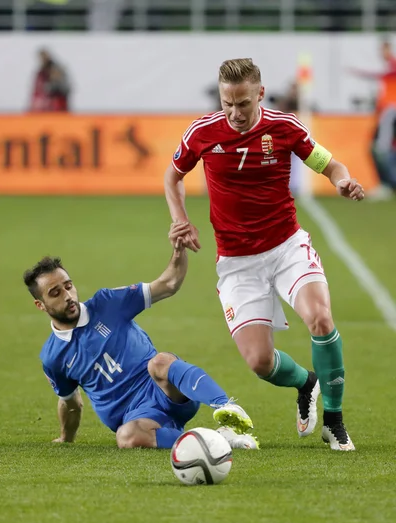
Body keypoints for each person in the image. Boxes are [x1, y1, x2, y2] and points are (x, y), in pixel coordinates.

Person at [164, 58, 365, 452]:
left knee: (321, 319)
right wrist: (180, 219)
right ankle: (305, 382)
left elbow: (331, 165)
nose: (235, 113)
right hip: (237, 262)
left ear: (260, 93)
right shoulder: (203, 132)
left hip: (287, 246)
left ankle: (335, 421)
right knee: (259, 362)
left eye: (243, 103)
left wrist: (343, 181)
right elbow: (173, 176)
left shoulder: (285, 127)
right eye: (227, 104)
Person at [23, 223, 258, 450]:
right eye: (55, 293)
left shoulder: (107, 303)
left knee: (160, 362)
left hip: (165, 390)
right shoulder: (53, 357)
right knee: (126, 437)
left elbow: (168, 284)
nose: (68, 296)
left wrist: (178, 252)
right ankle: (219, 441)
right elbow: (70, 401)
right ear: (40, 305)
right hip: (139, 419)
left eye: (68, 286)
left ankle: (226, 406)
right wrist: (66, 438)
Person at [350, 40, 396, 200]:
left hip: (390, 114)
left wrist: (358, 72)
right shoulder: (387, 72)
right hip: (385, 114)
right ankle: (386, 184)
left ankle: (387, 184)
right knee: (376, 148)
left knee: (380, 148)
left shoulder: (392, 66)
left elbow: (381, 75)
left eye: (384, 49)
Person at [29, 48, 71, 112]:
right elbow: (38, 91)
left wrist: (54, 84)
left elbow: (65, 88)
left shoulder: (56, 69)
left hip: (57, 107)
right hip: (43, 108)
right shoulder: (41, 72)